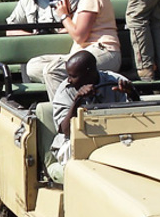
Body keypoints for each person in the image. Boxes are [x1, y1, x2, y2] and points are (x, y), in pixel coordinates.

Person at [46, 51, 135, 183]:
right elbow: (65, 130)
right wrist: (78, 101)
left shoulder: (115, 82)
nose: (69, 79)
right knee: (74, 154)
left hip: (112, 137)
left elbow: (136, 117)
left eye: (73, 76)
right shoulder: (66, 89)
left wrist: (132, 94)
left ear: (89, 73)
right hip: (76, 139)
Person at [44, 0, 121, 98]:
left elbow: (79, 36)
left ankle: (64, 114)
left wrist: (64, 15)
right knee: (33, 66)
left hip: (103, 52)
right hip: (88, 52)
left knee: (52, 71)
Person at [6, 0, 81, 86]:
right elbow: (10, 30)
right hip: (36, 54)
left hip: (64, 50)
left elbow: (79, 25)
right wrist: (33, 38)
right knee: (28, 63)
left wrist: (56, 37)